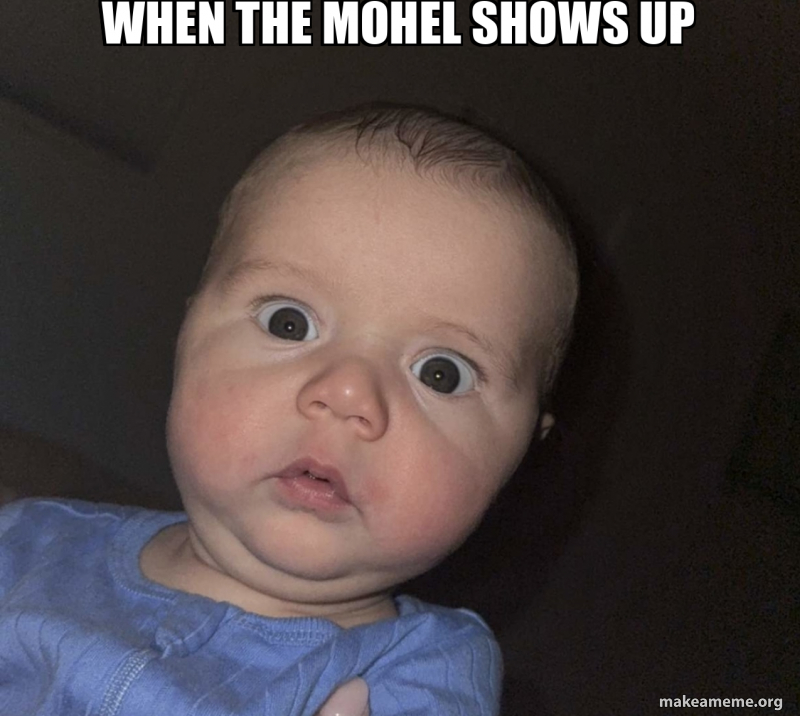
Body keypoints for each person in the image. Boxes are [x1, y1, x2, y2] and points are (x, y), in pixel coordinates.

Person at [0, 103, 579, 715]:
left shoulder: (425, 672)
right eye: (289, 322)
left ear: (521, 453)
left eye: (442, 373)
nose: (348, 394)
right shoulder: (31, 542)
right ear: (187, 336)